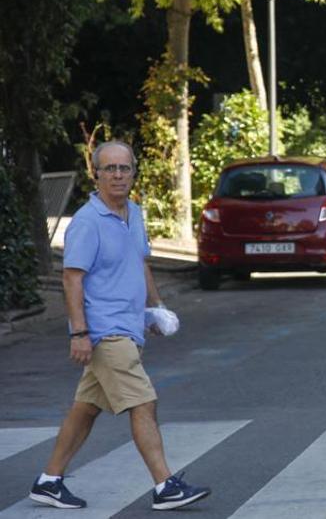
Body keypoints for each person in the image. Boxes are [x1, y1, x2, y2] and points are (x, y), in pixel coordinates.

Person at [28, 141, 211, 511]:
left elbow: (140, 262)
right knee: (144, 401)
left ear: (133, 172)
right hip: (105, 332)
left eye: (124, 168)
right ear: (95, 174)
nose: (117, 175)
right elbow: (71, 279)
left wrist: (155, 308)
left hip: (130, 327)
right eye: (109, 169)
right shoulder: (87, 222)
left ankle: (49, 481)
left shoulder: (135, 213)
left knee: (86, 408)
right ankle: (165, 485)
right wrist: (79, 332)